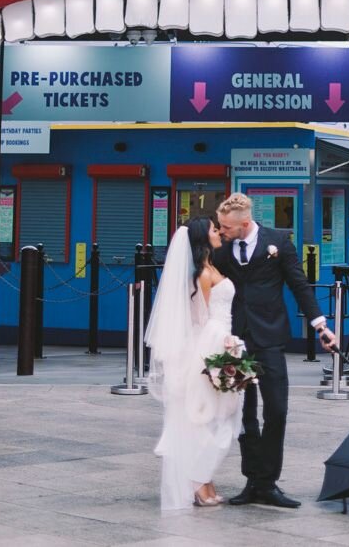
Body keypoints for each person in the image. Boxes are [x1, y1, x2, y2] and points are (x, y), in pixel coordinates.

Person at [213, 192, 338, 509]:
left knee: (277, 410)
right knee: (244, 413)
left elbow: (298, 284)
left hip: (269, 337)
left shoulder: (278, 242)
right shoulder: (223, 249)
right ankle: (253, 480)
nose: (222, 231)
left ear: (245, 223)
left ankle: (269, 481)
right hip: (234, 340)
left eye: (227, 227)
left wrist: (320, 325)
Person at [144, 217, 243, 511]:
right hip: (210, 347)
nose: (220, 233)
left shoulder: (211, 266)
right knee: (210, 419)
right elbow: (200, 320)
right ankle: (199, 482)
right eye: (214, 230)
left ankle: (203, 479)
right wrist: (222, 346)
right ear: (202, 237)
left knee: (220, 418)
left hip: (224, 341)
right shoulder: (201, 273)